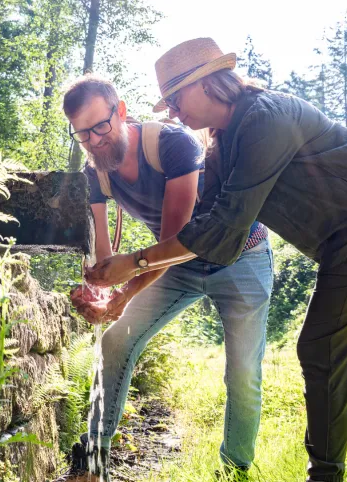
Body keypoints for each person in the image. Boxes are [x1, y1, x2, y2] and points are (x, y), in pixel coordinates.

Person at [84, 38, 347, 482]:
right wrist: (132, 275)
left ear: (207, 84)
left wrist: (133, 262)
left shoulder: (265, 119)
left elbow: (225, 228)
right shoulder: (222, 144)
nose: (171, 112)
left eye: (175, 99)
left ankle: (325, 475)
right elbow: (202, 226)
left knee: (321, 347)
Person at [62, 74, 274, 481]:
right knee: (115, 341)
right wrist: (99, 294)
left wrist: (124, 294)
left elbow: (178, 239)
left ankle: (235, 471)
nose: (95, 141)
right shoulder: (95, 173)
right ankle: (91, 463)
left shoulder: (173, 144)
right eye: (82, 135)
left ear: (120, 111)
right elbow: (104, 257)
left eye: (101, 126)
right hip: (173, 264)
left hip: (239, 257)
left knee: (243, 374)